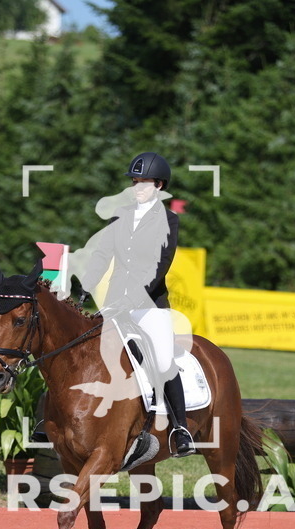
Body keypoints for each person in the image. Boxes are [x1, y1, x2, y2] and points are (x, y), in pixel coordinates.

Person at [69, 152, 195, 458]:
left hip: (149, 305)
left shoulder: (169, 220)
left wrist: (133, 298)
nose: (137, 187)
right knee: (80, 349)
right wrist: (86, 285)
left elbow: (160, 265)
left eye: (144, 182)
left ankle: (180, 429)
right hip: (114, 303)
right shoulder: (121, 215)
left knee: (162, 359)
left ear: (159, 185)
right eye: (134, 181)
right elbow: (102, 253)